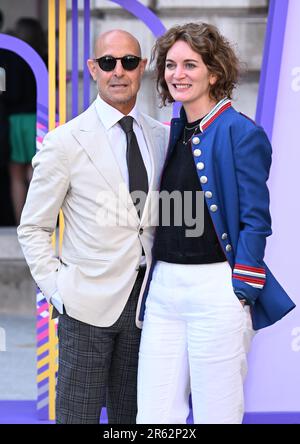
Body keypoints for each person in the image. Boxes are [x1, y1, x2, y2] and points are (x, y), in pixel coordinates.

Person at [136, 22, 295, 424]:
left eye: (190, 64)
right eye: (171, 65)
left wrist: (242, 288)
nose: (178, 74)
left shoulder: (241, 132)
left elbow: (256, 220)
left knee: (217, 413)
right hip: (164, 289)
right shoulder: (174, 129)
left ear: (215, 72)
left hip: (216, 289)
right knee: (154, 415)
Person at [17, 29, 169, 424]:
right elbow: (32, 228)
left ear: (142, 68)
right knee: (77, 416)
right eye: (108, 62)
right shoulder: (64, 141)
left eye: (129, 62)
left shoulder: (161, 136)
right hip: (85, 308)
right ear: (92, 69)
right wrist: (59, 291)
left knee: (134, 419)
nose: (118, 71)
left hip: (146, 308)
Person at [3, 18, 47, 224]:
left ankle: (22, 223)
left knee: (16, 175)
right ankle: (39, 221)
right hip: (40, 119)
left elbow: (7, 93)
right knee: (36, 173)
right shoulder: (46, 57)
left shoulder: (8, 59)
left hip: (16, 120)